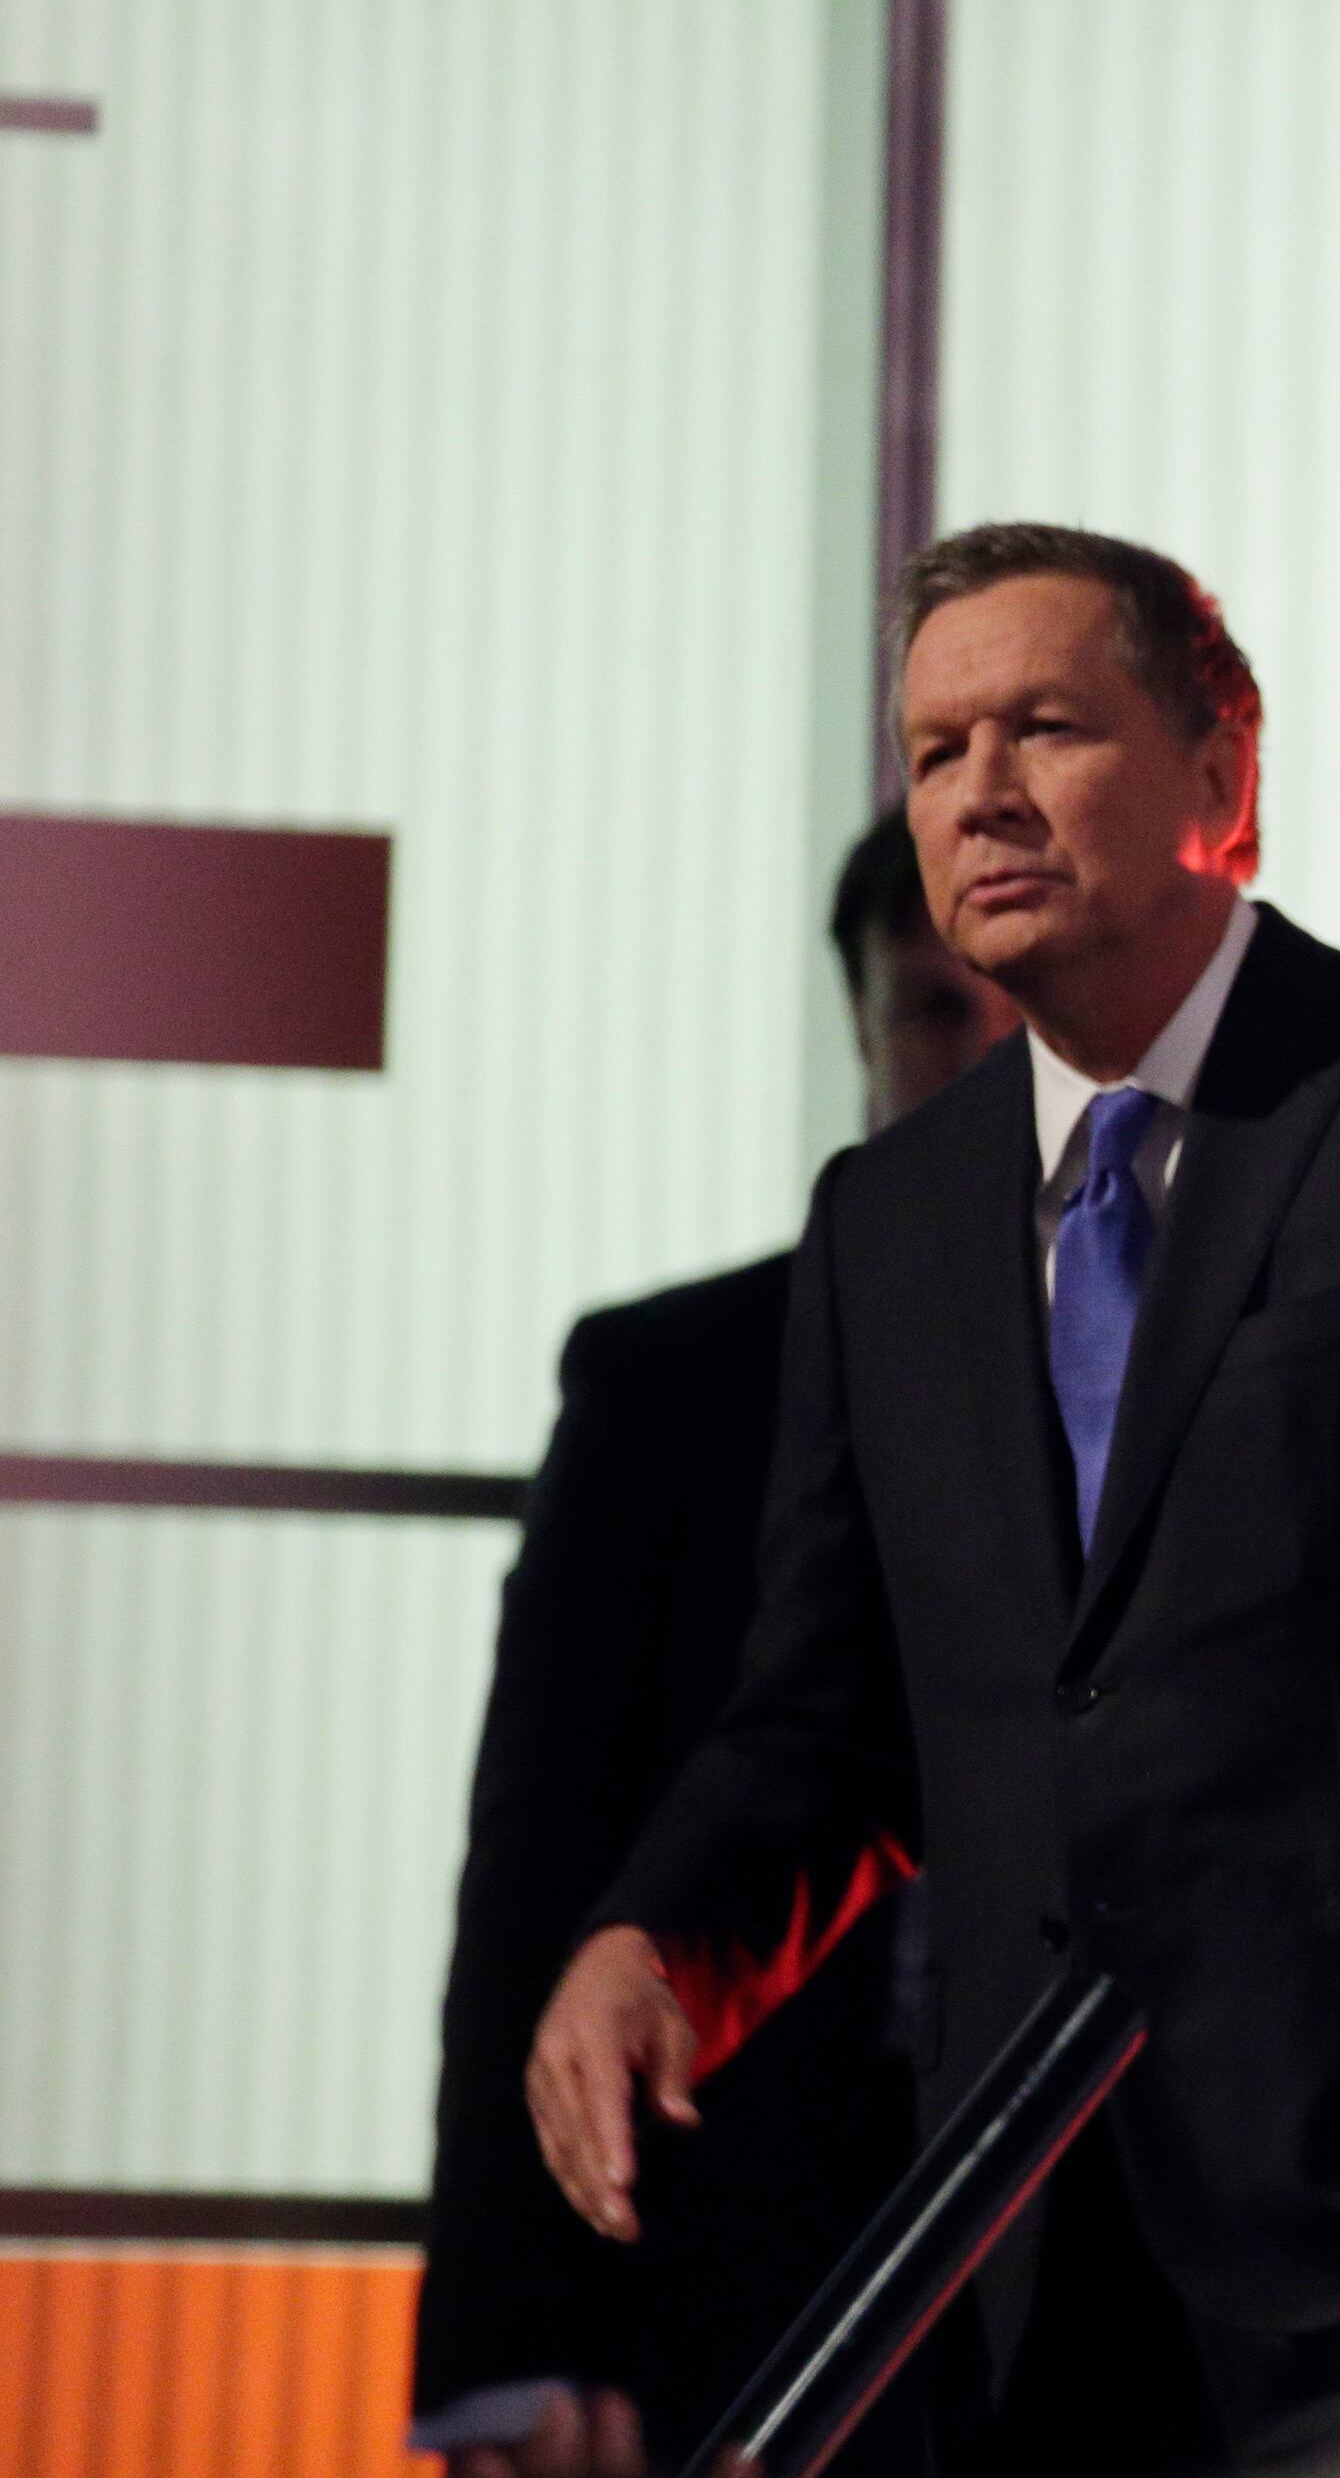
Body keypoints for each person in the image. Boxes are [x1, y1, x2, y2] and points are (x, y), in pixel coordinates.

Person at [525, 522, 1340, 2473]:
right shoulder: (892, 1215)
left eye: (1044, 727)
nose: (983, 792)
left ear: (1223, 776)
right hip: (1028, 2267)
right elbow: (827, 1711)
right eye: (936, 751)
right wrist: (656, 1937)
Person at [409, 813, 1015, 2475]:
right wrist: (511, 2345)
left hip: (1111, 2273)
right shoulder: (673, 1384)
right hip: (737, 2261)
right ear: (865, 1037)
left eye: (1015, 1003)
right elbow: (538, 1869)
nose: (977, 1055)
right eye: (930, 1010)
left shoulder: (1214, 1354)